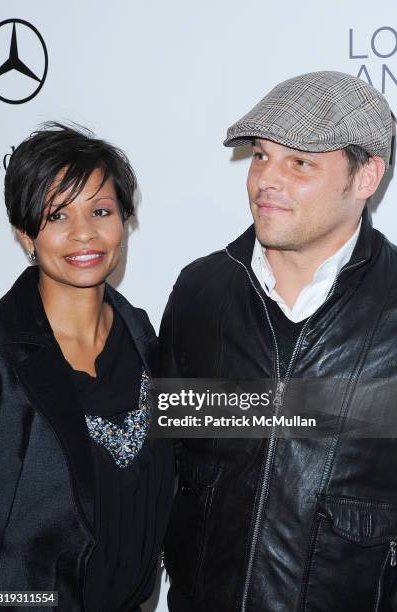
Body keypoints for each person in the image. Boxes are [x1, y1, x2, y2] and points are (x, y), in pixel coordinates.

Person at [160, 71, 397, 611]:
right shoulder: (201, 294)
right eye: (261, 156)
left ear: (366, 178)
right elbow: (169, 471)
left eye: (300, 163)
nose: (267, 179)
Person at [0, 123, 174, 611]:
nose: (84, 233)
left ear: (123, 221)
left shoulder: (143, 339)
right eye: (57, 216)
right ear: (25, 232)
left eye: (100, 211)